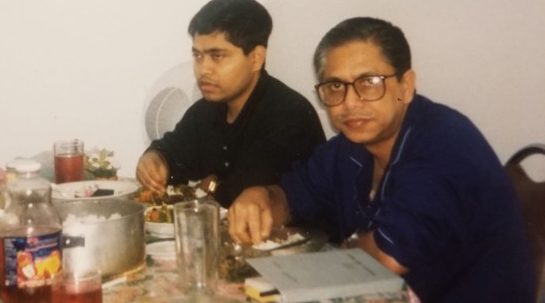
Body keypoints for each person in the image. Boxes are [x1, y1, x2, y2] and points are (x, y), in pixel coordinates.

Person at [228, 17, 537, 302]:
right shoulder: (348, 149)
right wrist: (262, 197)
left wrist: (339, 251)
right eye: (335, 87)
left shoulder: (444, 142)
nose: (350, 103)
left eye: (369, 83)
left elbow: (388, 257)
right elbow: (291, 196)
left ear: (406, 85)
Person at [136, 0, 326, 208]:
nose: (203, 69)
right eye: (198, 56)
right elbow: (174, 151)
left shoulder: (289, 114)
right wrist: (155, 158)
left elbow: (243, 192)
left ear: (256, 58)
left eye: (217, 56)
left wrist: (213, 186)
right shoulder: (207, 109)